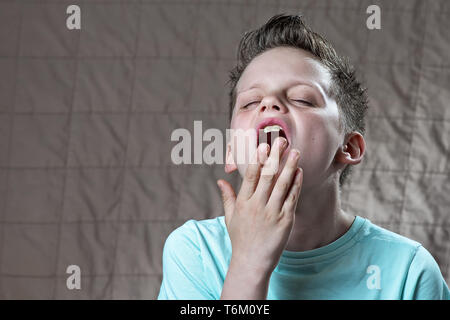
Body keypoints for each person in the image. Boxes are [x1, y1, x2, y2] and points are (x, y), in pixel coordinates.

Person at [157, 14, 450, 300]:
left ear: (349, 147)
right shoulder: (194, 251)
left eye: (302, 99)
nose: (269, 103)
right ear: (231, 150)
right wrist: (248, 263)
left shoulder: (410, 272)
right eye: (250, 102)